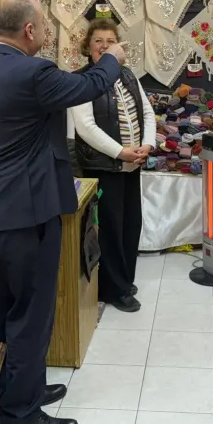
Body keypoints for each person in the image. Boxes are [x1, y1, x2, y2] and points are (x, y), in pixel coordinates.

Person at [0, 0, 127, 424]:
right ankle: (22, 417)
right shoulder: (33, 72)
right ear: (29, 29)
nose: (46, 33)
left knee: (7, 306)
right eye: (45, 26)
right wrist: (113, 57)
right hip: (28, 212)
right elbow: (90, 85)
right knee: (31, 314)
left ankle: (15, 388)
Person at [70, 19, 156, 313]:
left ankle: (124, 280)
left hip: (132, 166)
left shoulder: (128, 75)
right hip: (104, 169)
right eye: (98, 41)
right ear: (88, 46)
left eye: (110, 41)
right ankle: (114, 289)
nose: (105, 46)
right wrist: (121, 153)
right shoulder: (83, 80)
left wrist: (147, 145)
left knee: (130, 225)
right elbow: (86, 127)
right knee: (109, 229)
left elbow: (147, 112)